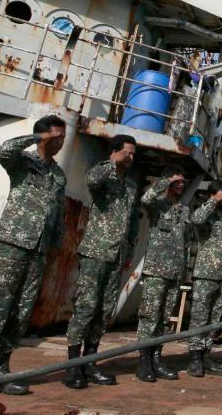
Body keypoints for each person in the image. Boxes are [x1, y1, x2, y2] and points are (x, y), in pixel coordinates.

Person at [0, 115, 68, 401]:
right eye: (56, 137)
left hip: (39, 249)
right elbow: (3, 150)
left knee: (22, 310)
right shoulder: (23, 162)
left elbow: (58, 213)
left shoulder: (58, 174)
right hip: (14, 241)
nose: (61, 142)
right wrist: (37, 139)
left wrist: (55, 246)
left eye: (62, 137)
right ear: (43, 136)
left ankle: (3, 365)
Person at [63, 134, 140, 389]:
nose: (130, 157)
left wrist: (128, 252)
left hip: (117, 256)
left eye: (133, 154)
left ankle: (90, 361)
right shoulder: (102, 173)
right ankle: (72, 366)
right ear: (115, 151)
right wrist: (112, 163)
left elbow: (131, 222)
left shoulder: (130, 186)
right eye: (127, 152)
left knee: (104, 311)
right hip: (97, 251)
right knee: (86, 307)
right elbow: (91, 182)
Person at [135, 168, 188, 383]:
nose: (180, 184)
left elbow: (185, 242)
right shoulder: (157, 205)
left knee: (164, 319)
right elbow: (145, 198)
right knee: (150, 316)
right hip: (157, 269)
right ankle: (143, 362)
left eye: (183, 181)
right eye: (176, 181)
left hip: (175, 272)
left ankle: (157, 358)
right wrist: (164, 181)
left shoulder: (183, 210)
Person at [186, 178, 222, 378]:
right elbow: (196, 219)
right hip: (205, 274)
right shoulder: (205, 214)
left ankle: (206, 355)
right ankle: (195, 358)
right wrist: (213, 201)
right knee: (199, 318)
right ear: (213, 194)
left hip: (221, 276)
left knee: (214, 320)